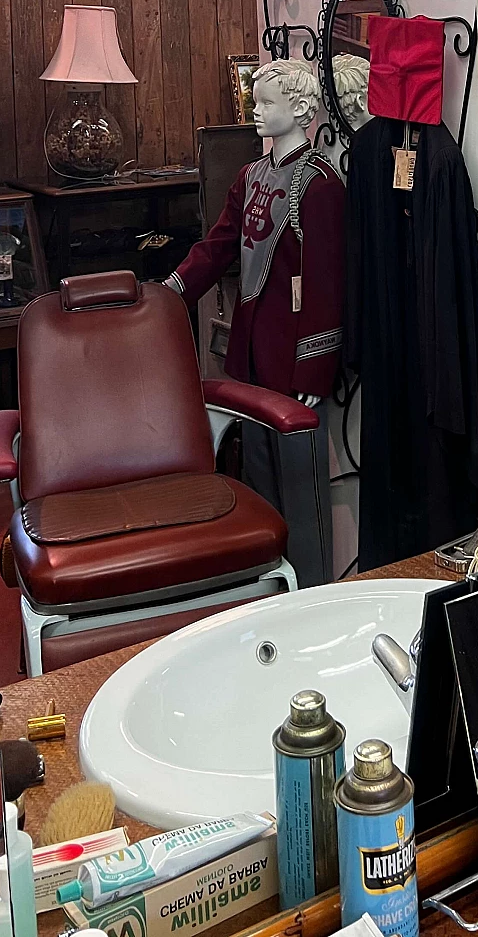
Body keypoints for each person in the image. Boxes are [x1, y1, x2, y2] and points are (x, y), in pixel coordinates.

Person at [165, 59, 344, 583]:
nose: (256, 110)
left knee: (301, 482)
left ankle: (311, 587)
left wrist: (313, 370)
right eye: (257, 100)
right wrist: (169, 293)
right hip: (251, 347)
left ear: (301, 109)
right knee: (261, 476)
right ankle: (269, 581)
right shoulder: (251, 175)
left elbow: (326, 285)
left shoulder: (320, 185)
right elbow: (219, 245)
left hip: (294, 356)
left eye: (268, 102)